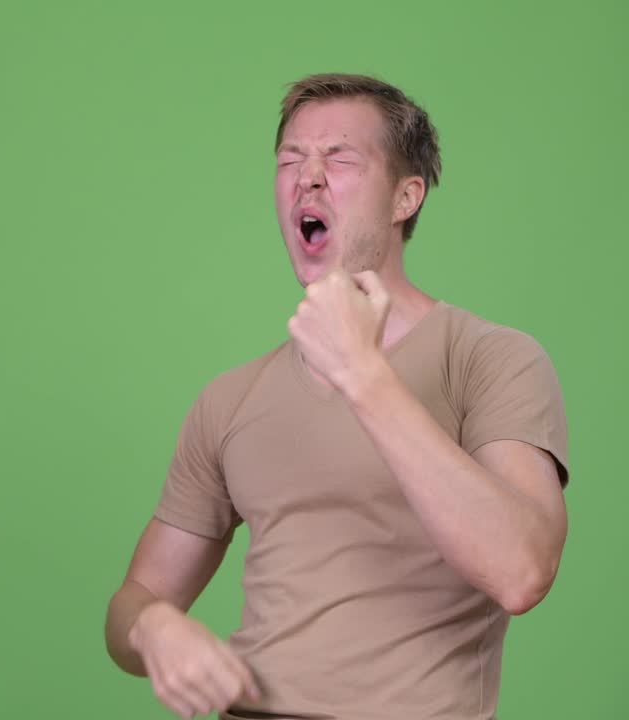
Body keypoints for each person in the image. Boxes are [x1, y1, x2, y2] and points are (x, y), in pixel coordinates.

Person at [104, 74, 569, 719]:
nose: (308, 178)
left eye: (340, 159)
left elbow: (522, 571)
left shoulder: (490, 359)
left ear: (407, 196)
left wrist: (364, 376)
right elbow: (138, 594)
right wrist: (153, 627)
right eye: (291, 160)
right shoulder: (230, 400)